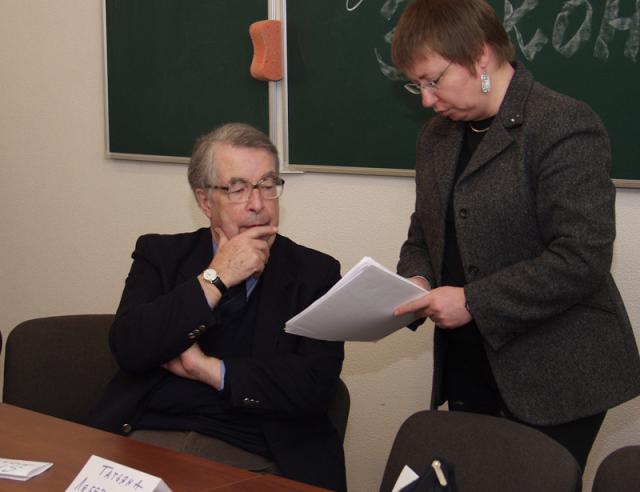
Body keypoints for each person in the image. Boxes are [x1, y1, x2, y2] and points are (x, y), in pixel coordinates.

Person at [391, 0, 640, 470]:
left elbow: (581, 257)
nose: (426, 99)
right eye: (416, 85)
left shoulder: (563, 123)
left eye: (433, 80)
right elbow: (424, 233)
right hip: (470, 364)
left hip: (557, 372)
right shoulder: (436, 137)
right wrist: (416, 281)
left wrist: (473, 301)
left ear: (480, 55)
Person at [89, 123, 346, 491]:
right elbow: (130, 347)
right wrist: (216, 278)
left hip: (259, 452)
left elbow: (314, 386)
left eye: (267, 185)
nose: (258, 204)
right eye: (238, 189)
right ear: (205, 201)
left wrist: (210, 370)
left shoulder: (315, 273)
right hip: (149, 435)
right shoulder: (160, 255)